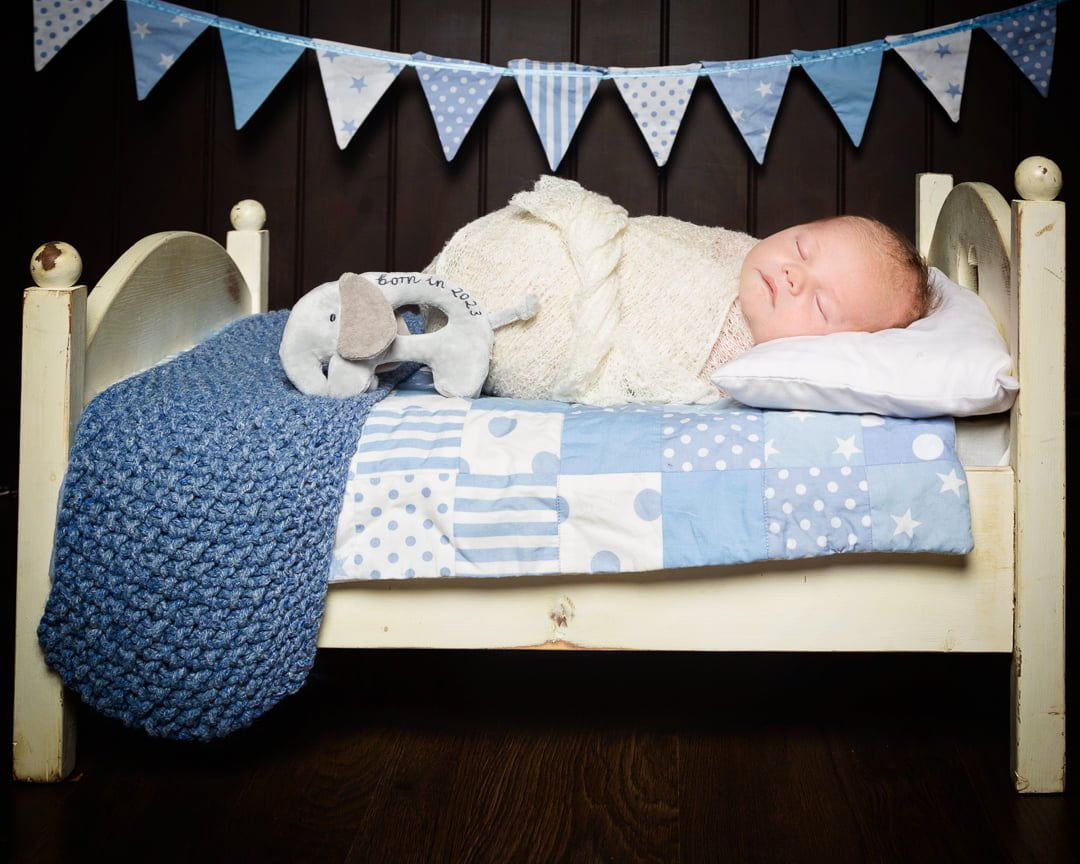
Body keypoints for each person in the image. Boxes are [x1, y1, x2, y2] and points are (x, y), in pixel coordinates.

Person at [424, 175, 932, 406]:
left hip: (561, 328)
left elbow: (647, 376)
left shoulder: (751, 370)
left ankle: (452, 323)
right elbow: (649, 236)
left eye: (821, 303)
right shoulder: (730, 250)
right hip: (553, 256)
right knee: (534, 246)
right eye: (802, 246)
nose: (794, 274)